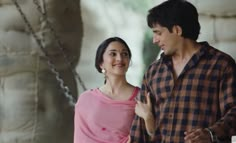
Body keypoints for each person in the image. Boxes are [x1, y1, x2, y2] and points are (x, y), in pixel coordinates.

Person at [130, 0, 236, 143]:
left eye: (158, 33)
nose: (154, 40)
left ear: (177, 30)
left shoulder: (221, 65)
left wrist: (211, 134)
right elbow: (140, 127)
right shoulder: (154, 71)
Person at [73, 37, 140, 143]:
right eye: (113, 54)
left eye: (125, 54)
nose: (120, 59)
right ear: (101, 63)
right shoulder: (86, 100)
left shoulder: (141, 97)